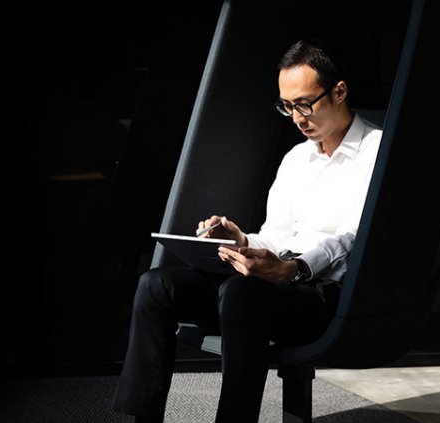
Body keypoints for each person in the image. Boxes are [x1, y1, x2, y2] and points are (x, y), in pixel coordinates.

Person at [112, 38, 383, 422]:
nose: (297, 117)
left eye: (305, 103)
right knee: (156, 285)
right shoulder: (296, 159)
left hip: (325, 294)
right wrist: (241, 242)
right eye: (287, 106)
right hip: (269, 287)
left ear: (339, 91)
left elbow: (356, 239)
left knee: (240, 292)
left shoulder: (377, 151)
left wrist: (295, 269)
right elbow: (276, 237)